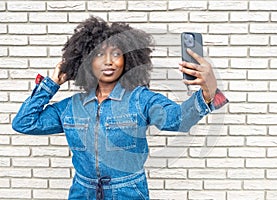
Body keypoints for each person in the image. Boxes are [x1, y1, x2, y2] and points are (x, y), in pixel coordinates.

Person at [12, 16, 228, 200]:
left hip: (128, 191)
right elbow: (24, 123)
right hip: (82, 191)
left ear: (127, 59)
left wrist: (208, 91)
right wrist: (51, 84)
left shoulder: (140, 100)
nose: (109, 62)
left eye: (116, 54)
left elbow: (178, 120)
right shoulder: (71, 107)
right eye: (98, 54)